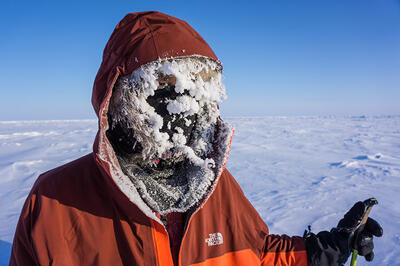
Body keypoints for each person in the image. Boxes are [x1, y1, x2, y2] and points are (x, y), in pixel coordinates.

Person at [10, 11, 382, 266]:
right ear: (120, 99)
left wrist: (327, 249)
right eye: (163, 90)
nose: (181, 110)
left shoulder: (210, 186)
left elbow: (256, 253)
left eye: (195, 92)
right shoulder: (54, 202)